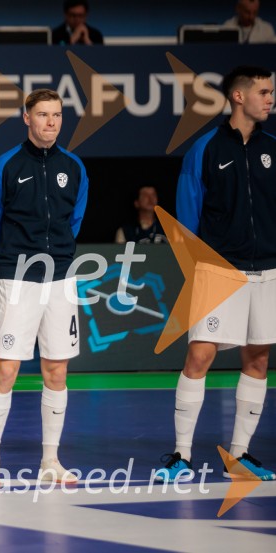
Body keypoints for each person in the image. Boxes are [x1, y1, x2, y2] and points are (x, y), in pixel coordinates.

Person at [154, 66, 276, 482]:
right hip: (219, 271)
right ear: (239, 97)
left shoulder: (273, 149)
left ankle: (240, 456)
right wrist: (200, 268)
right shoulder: (203, 149)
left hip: (269, 271)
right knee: (200, 356)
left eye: (271, 91)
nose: (270, 98)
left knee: (258, 358)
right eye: (264, 92)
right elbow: (187, 221)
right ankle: (180, 455)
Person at [0, 89, 89, 486]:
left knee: (56, 370)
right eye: (43, 115)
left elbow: (74, 220)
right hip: (17, 278)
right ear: (27, 118)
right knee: (6, 370)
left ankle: (51, 461)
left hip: (61, 279)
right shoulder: (5, 167)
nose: (52, 122)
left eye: (57, 115)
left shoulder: (74, 166)